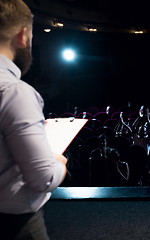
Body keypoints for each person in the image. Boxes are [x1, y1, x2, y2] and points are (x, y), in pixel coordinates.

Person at [0, 1, 67, 239]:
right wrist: (59, 162)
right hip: (13, 227)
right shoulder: (14, 92)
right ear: (22, 35)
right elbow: (43, 178)